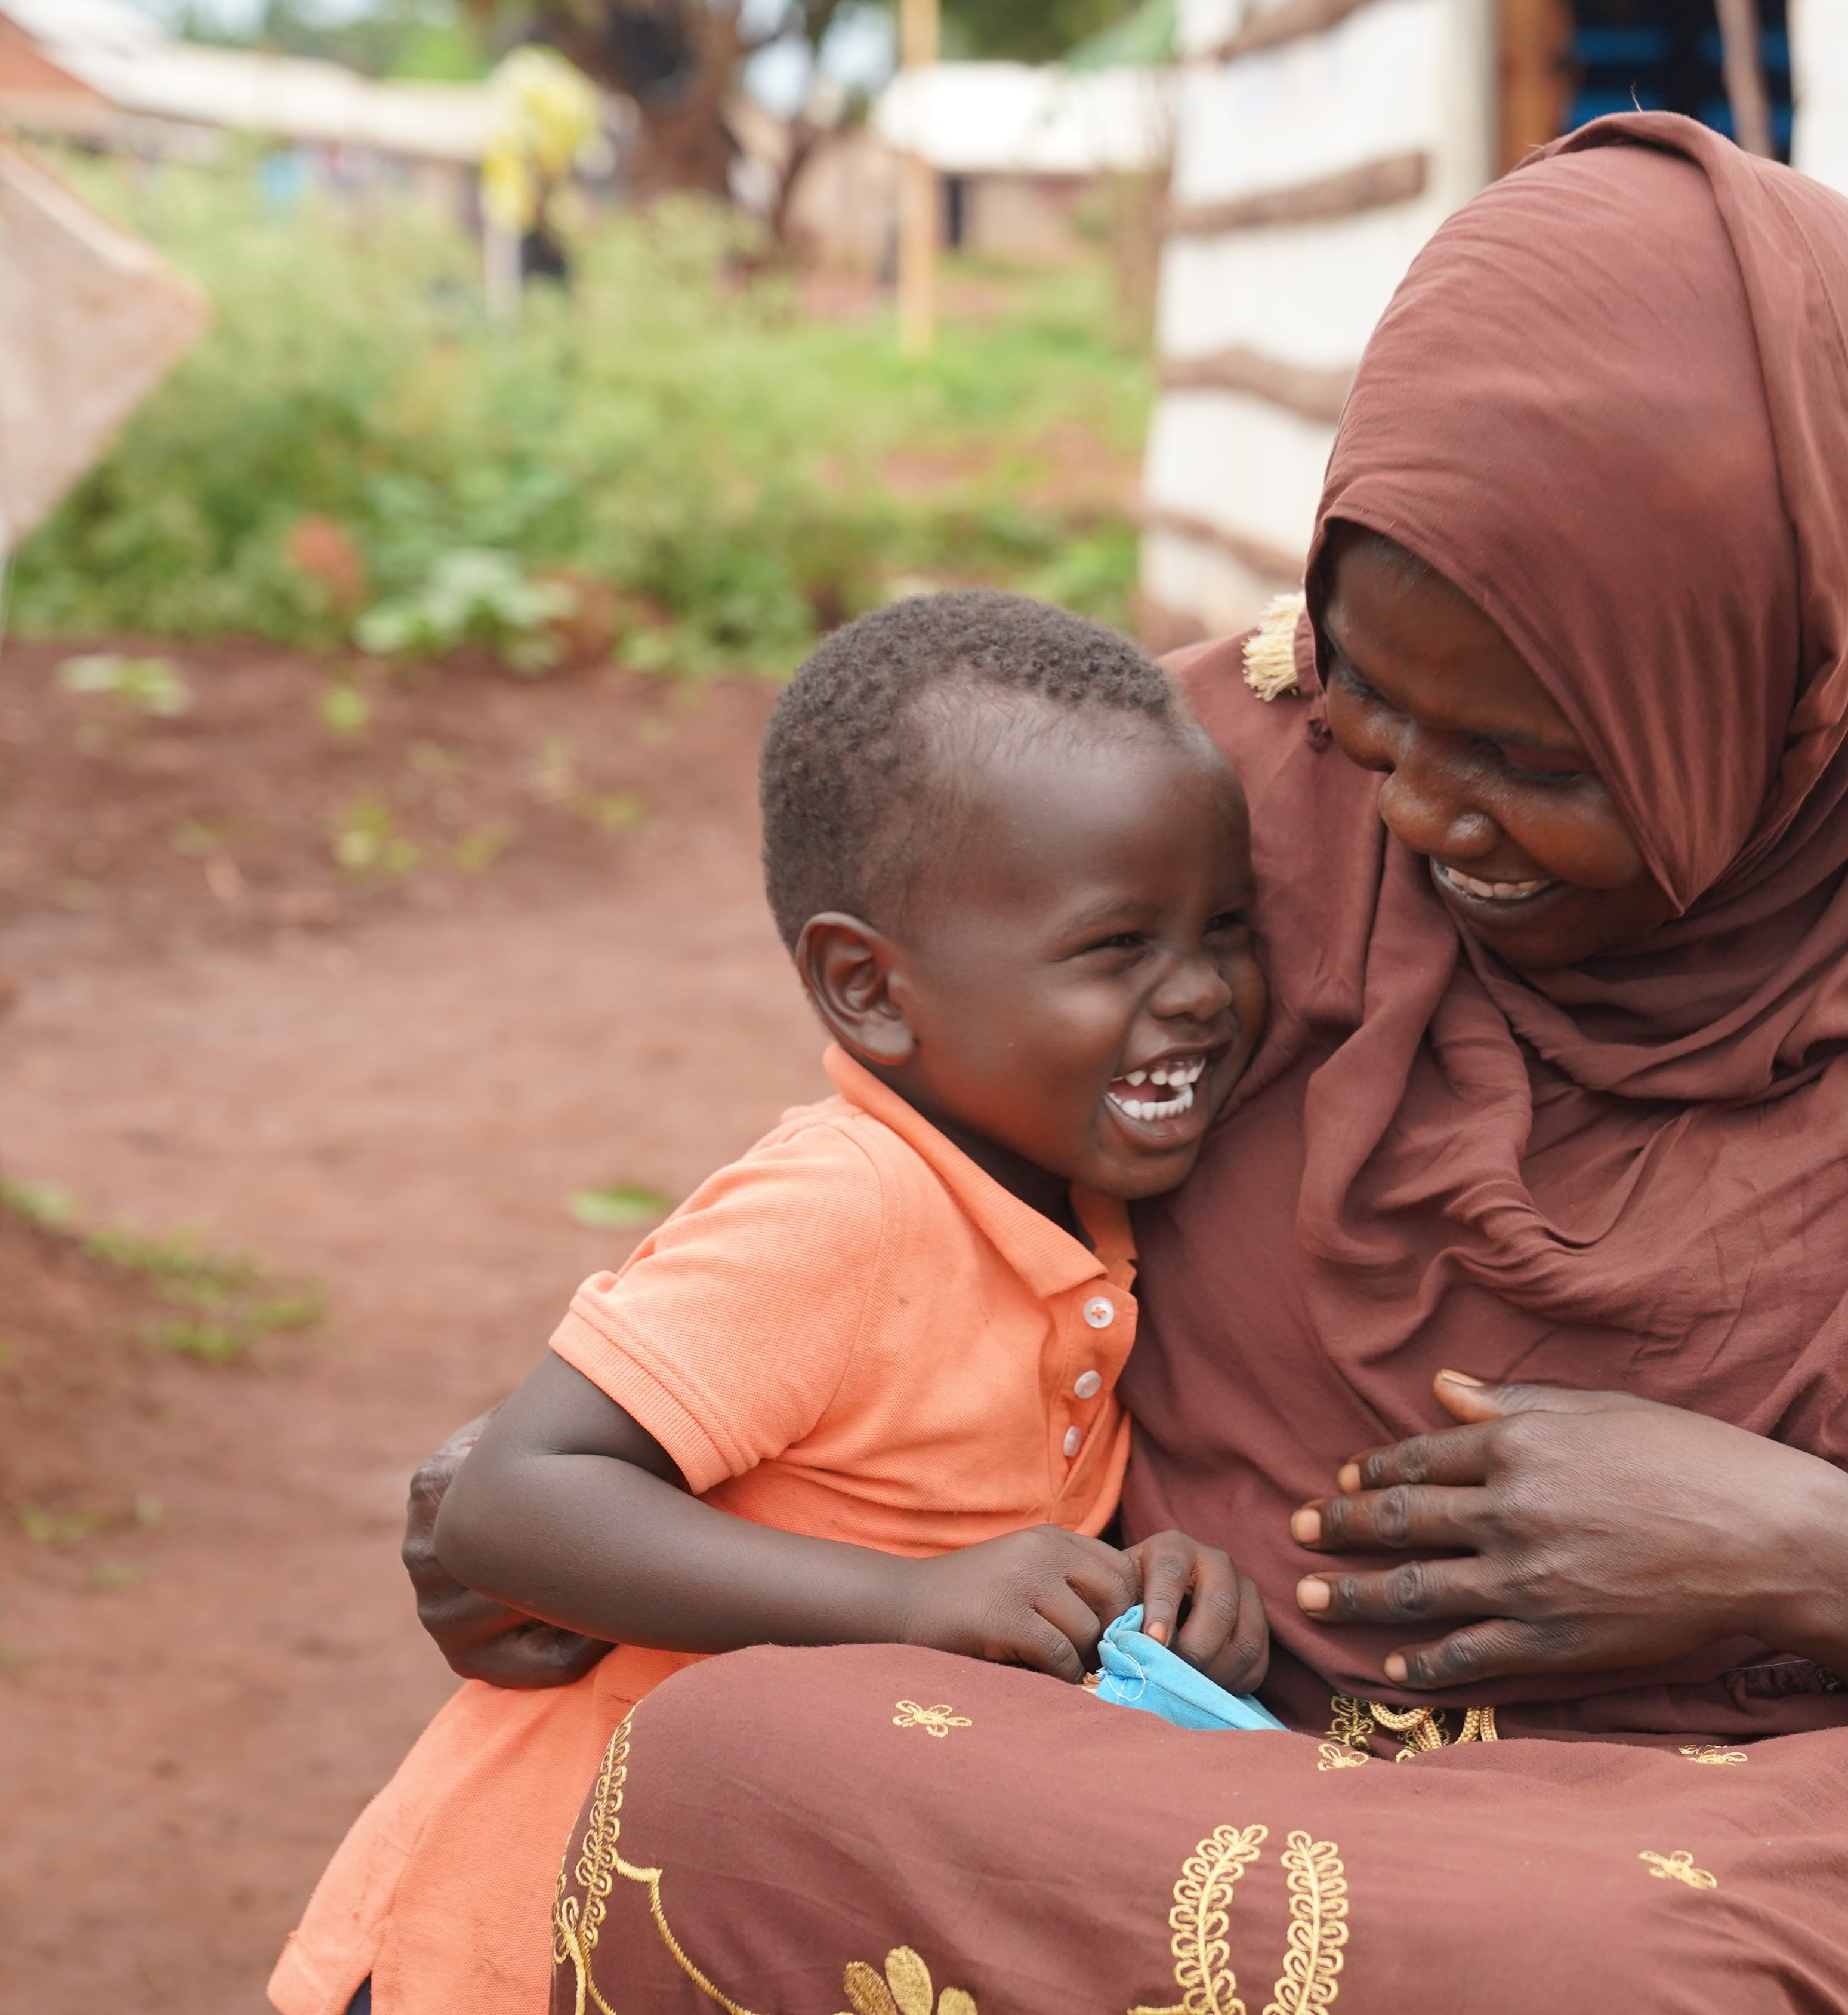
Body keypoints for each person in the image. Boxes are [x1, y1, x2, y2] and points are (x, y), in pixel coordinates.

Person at [412, 117, 1848, 2015]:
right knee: (735, 1765)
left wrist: (1805, 1552)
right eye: (1373, 711)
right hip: (1176, 1758)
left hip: (1761, 1835)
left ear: (1793, 692)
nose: (1412, 816)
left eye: (1530, 759)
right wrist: (597, 1475)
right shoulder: (1228, 795)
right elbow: (908, 1181)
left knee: (1620, 1973)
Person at [270, 593, 1273, 2015]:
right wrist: (912, 1600)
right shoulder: (844, 1204)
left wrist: (1149, 1590)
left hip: (715, 1930)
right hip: (516, 1932)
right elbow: (510, 1500)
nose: (1203, 993)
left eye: (1225, 928)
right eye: (1119, 947)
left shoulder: (1088, 1219)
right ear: (867, 987)